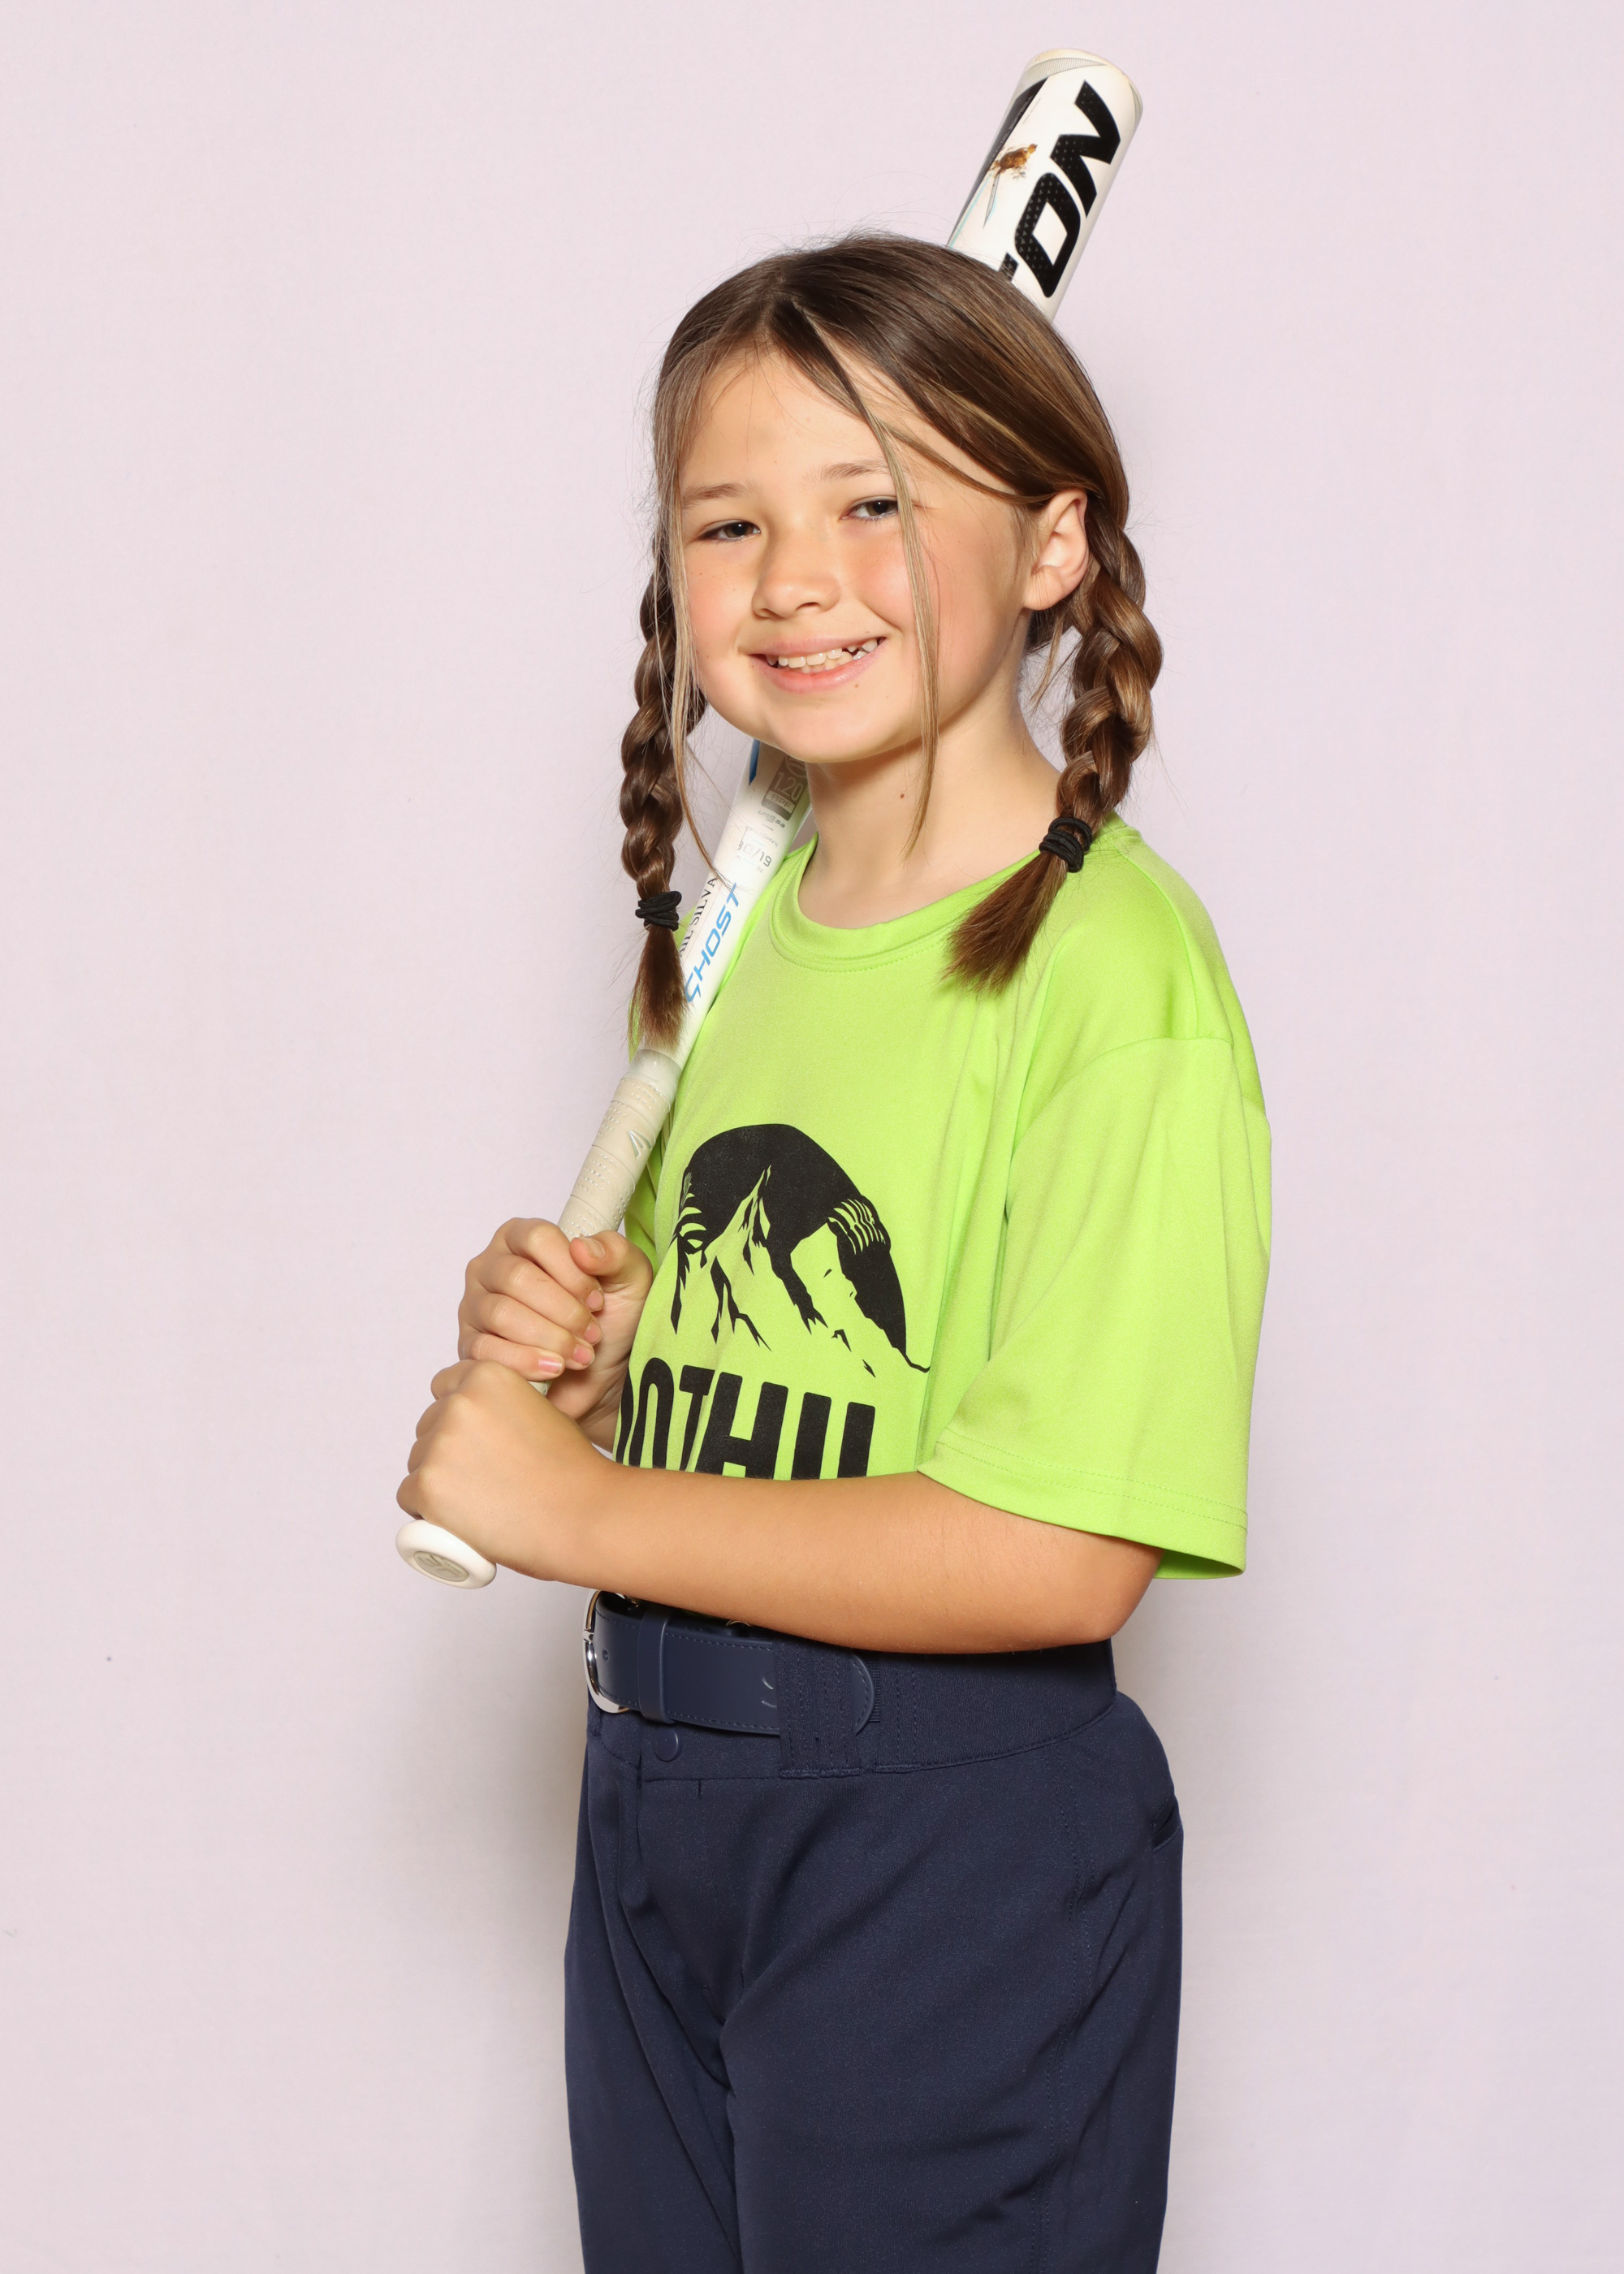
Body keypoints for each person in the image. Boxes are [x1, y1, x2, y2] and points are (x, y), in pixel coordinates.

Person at [396, 235, 1270, 2272]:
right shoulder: (746, 937)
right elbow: (813, 1380)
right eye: (731, 521)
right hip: (661, 1792)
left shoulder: (1114, 980)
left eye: (873, 502)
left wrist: (579, 1506)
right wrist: (611, 1361)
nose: (796, 576)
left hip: (945, 1837)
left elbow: (1060, 1547)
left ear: (1051, 545)